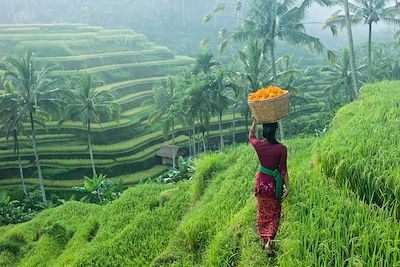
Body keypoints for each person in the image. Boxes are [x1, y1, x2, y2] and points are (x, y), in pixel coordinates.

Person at [249, 116, 289, 256]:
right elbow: (283, 170)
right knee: (274, 213)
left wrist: (254, 122)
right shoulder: (282, 149)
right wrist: (287, 187)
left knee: (263, 212)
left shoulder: (259, 145)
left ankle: (264, 239)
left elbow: (251, 136)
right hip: (273, 186)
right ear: (276, 131)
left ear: (265, 132)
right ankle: (269, 243)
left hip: (261, 184)